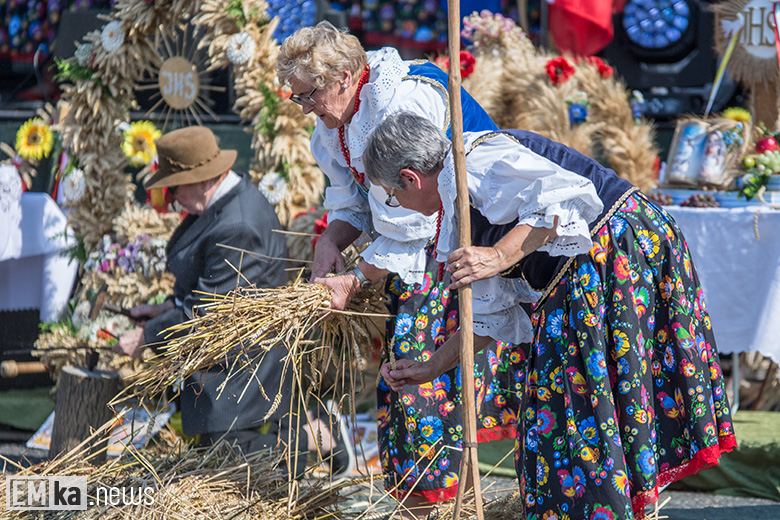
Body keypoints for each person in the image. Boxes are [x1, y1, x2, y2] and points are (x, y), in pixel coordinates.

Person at [366, 112, 737, 520]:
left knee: (574, 414)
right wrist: (431, 367)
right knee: (573, 418)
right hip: (594, 266)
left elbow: (563, 197)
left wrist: (499, 255)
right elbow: (491, 317)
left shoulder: (475, 161)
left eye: (390, 195)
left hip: (615, 252)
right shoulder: (459, 205)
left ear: (410, 178)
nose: (396, 205)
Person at [276, 21, 525, 514]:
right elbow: (353, 203)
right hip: (418, 260)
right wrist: (330, 242)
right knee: (409, 385)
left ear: (345, 76)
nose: (305, 108)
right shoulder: (337, 124)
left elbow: (412, 221)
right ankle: (428, 504)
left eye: (309, 95)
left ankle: (441, 506)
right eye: (297, 98)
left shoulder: (400, 102)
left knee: (428, 387)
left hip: (460, 249)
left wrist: (352, 278)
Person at [113, 126, 351, 477]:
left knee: (229, 457)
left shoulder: (236, 224)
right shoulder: (222, 205)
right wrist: (165, 308)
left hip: (245, 363)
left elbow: (209, 315)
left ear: (204, 179)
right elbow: (209, 289)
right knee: (215, 450)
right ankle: (305, 430)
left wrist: (148, 336)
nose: (172, 196)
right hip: (232, 357)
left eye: (175, 186)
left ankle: (315, 435)